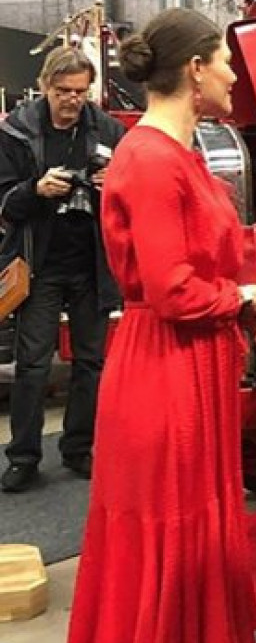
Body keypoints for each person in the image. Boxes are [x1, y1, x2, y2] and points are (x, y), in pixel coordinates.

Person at [58, 8, 256, 643]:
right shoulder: (149, 160)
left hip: (186, 372)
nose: (235, 73)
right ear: (195, 69)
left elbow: (202, 273)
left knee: (185, 559)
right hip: (159, 380)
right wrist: (245, 299)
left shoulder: (178, 153)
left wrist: (249, 316)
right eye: (226, 60)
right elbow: (171, 288)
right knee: (155, 570)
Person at [0, 47, 126, 493]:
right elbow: (6, 205)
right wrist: (35, 189)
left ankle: (78, 449)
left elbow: (131, 199)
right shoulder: (17, 132)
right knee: (32, 366)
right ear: (45, 85)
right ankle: (23, 457)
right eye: (63, 92)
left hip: (92, 266)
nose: (72, 100)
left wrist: (113, 186)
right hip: (38, 266)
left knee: (90, 362)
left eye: (80, 92)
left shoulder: (108, 130)